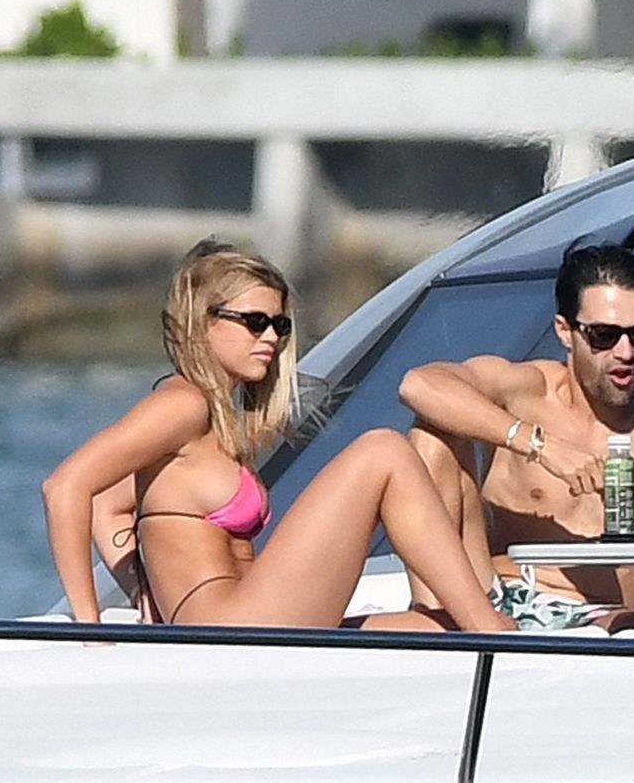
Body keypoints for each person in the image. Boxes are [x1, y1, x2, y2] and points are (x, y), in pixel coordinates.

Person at [43, 239, 513, 633]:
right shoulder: (182, 405)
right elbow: (65, 486)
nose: (270, 337)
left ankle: (483, 625)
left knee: (436, 627)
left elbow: (109, 504)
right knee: (384, 451)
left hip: (250, 616)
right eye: (254, 322)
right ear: (203, 322)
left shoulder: (212, 419)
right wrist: (91, 627)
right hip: (232, 627)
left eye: (279, 325)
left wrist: (142, 592)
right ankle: (490, 631)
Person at [399, 245, 634, 631]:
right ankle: (435, 617)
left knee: (627, 629)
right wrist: (539, 445)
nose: (625, 353)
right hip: (491, 601)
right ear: (564, 331)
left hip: (599, 618)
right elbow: (419, 385)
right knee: (435, 430)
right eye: (604, 335)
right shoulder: (524, 392)